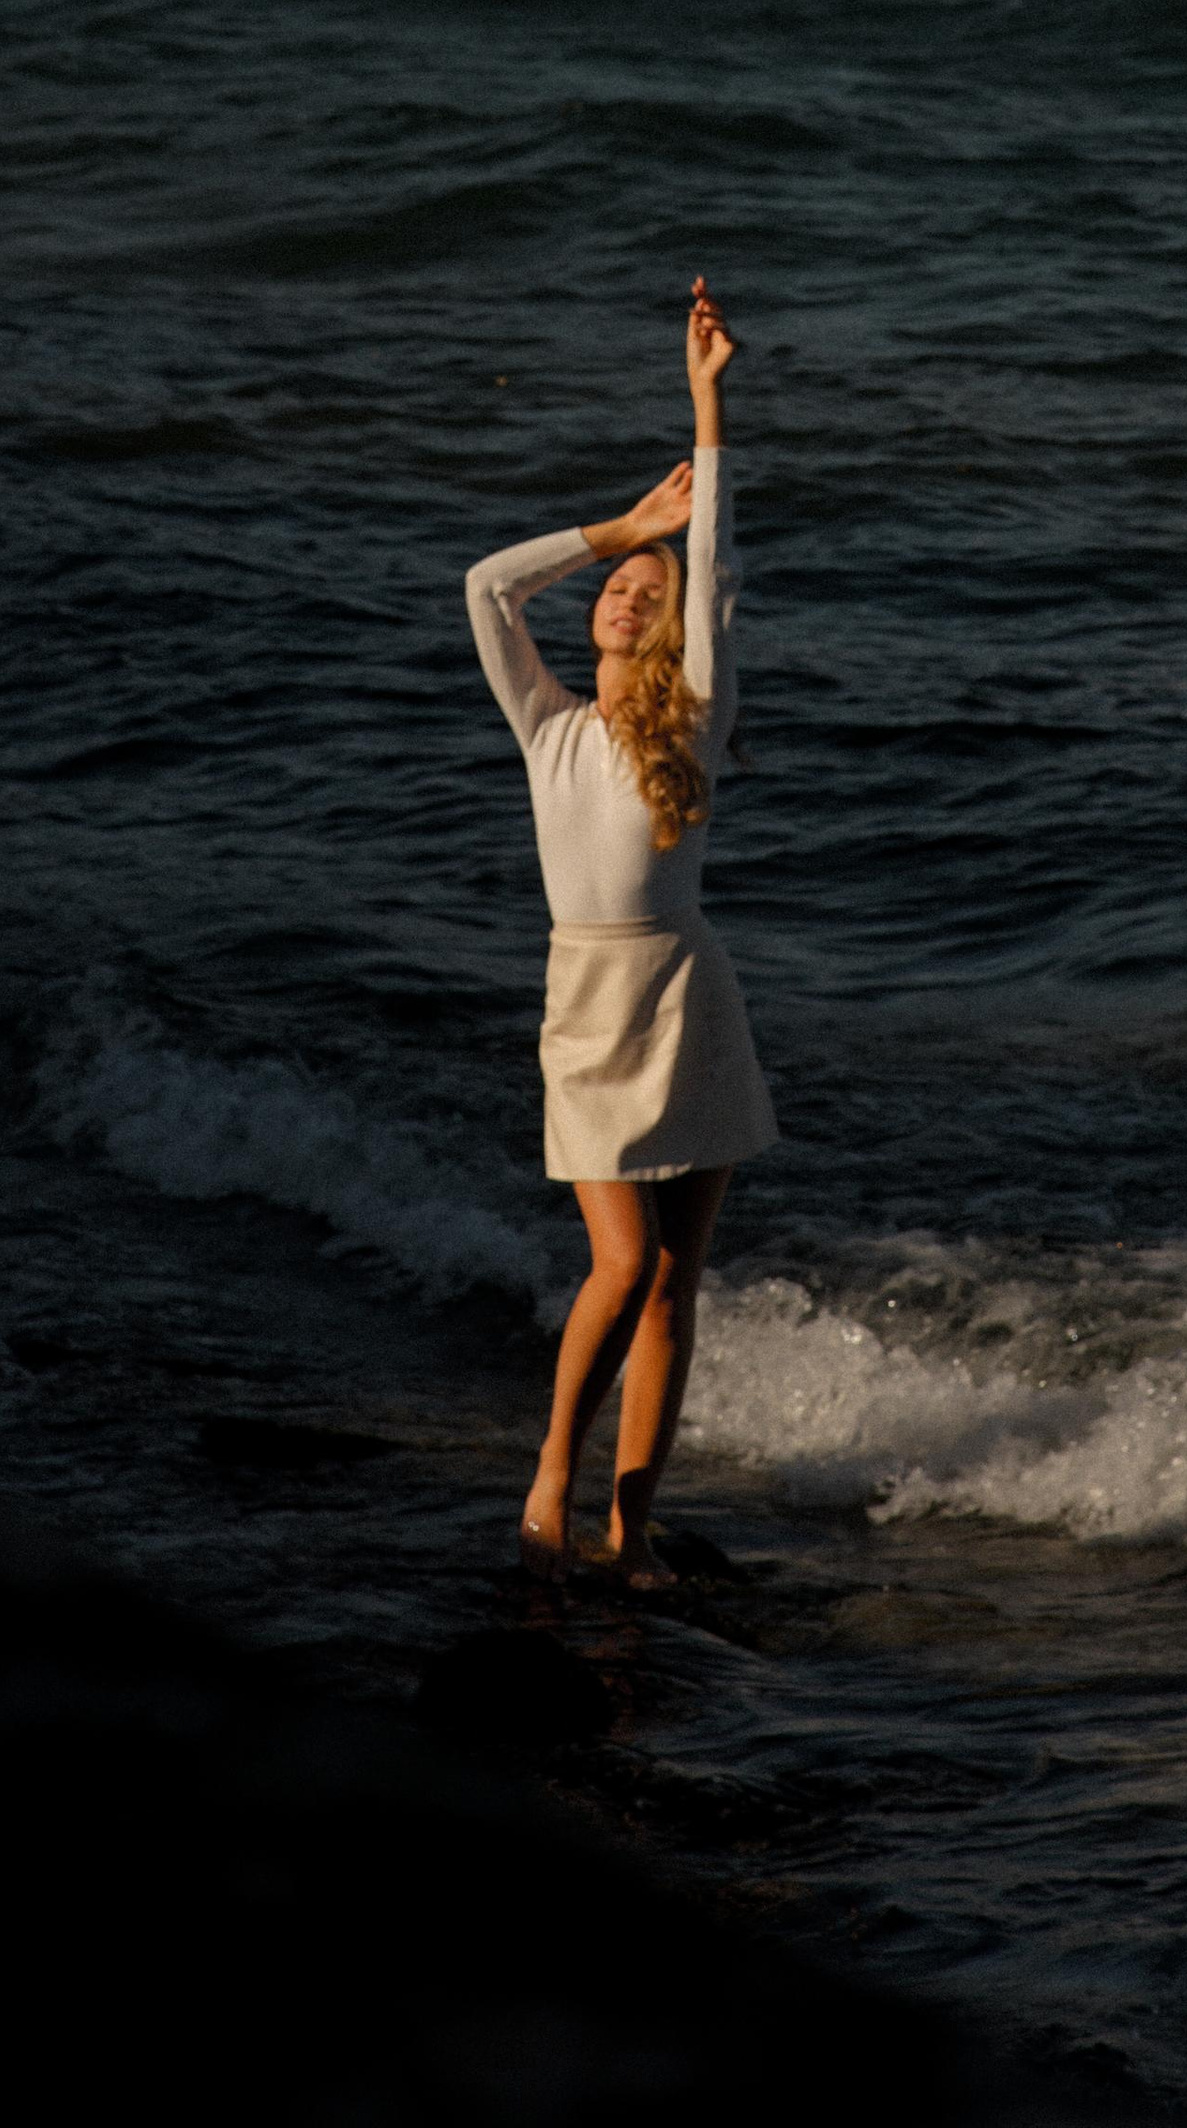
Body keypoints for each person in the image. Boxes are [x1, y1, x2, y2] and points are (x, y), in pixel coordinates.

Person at [464, 275, 774, 1587]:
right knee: (623, 1258)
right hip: (588, 1008)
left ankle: (630, 1527)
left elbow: (717, 569)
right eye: (617, 588)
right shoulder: (548, 728)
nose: (629, 597)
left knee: (672, 1283)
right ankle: (551, 1477)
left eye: (651, 589)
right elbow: (486, 588)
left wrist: (707, 406)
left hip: (688, 998)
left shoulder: (691, 717)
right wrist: (622, 527)